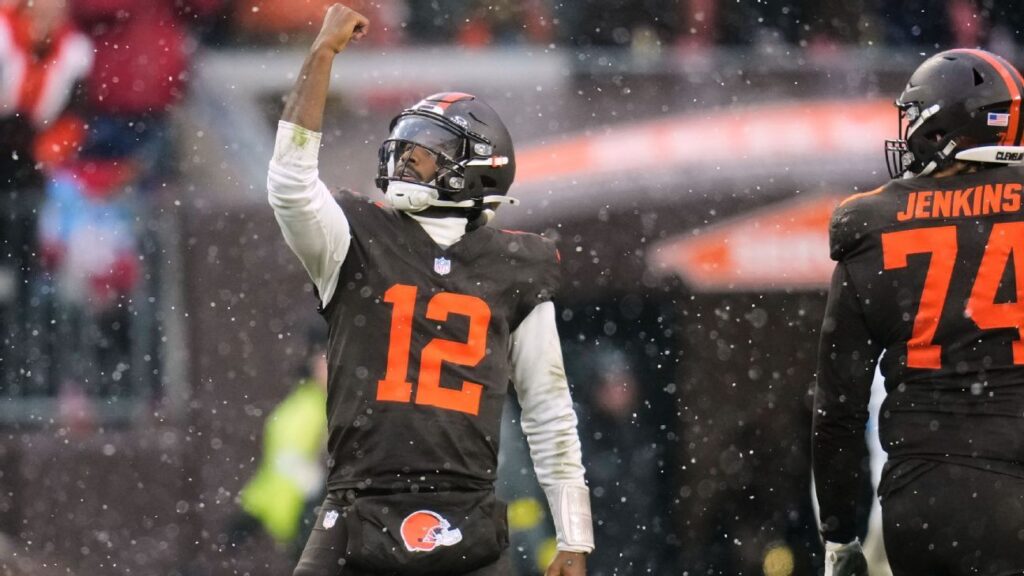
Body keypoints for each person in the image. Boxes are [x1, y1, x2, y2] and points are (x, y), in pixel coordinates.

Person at [266, 5, 594, 576]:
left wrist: (574, 532)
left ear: (474, 169)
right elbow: (290, 185)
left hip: (465, 514)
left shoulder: (513, 265)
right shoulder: (357, 238)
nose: (401, 163)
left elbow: (548, 406)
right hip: (359, 504)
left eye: (420, 157)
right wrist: (320, 57)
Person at [813, 48, 1024, 576]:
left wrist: (840, 533)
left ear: (942, 125)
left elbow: (838, 408)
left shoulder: (872, 223)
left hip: (930, 497)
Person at [232, 326, 330, 558]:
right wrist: (252, 511)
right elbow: (281, 469)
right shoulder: (306, 411)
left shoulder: (313, 407)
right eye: (325, 359)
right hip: (312, 529)